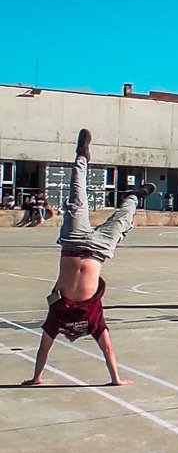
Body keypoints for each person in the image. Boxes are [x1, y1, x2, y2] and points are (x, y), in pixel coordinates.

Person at [20, 129, 153, 387]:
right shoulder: (91, 320)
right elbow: (107, 351)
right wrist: (116, 379)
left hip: (73, 244)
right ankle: (134, 196)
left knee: (76, 199)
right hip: (97, 251)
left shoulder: (57, 318)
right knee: (121, 218)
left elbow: (43, 351)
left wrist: (37, 377)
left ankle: (82, 156)